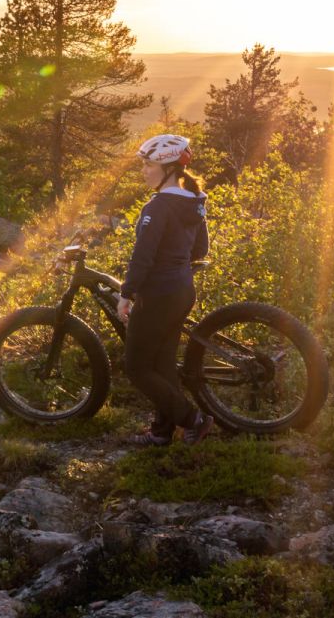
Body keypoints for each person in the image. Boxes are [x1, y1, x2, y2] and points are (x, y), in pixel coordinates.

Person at [117, 133, 214, 446]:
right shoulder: (195, 202)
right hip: (182, 291)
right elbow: (201, 248)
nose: (143, 171)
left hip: (157, 296)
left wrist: (126, 294)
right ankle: (161, 432)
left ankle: (193, 419)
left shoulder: (157, 207)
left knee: (137, 368)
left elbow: (142, 258)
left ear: (168, 168)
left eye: (148, 165)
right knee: (162, 363)